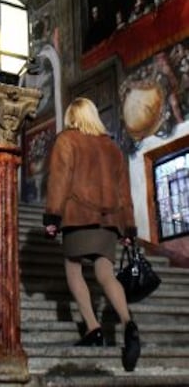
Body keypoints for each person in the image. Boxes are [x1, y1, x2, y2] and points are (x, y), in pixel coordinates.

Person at [43, 97, 140, 372]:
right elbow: (124, 193)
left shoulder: (68, 140)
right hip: (109, 219)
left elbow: (60, 180)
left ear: (72, 116)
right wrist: (129, 227)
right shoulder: (112, 148)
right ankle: (128, 323)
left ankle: (93, 328)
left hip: (78, 216)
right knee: (105, 275)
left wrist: (52, 216)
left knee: (74, 271)